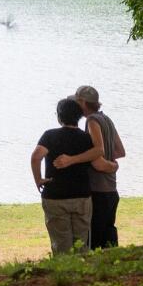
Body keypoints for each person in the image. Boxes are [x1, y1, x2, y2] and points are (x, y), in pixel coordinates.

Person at [54, 85, 125, 248]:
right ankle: (113, 267)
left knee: (95, 240)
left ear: (82, 102)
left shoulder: (91, 121)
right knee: (109, 235)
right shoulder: (106, 119)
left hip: (98, 191)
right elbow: (120, 151)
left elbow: (98, 162)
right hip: (111, 190)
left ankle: (100, 270)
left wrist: (72, 159)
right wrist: (112, 164)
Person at [30, 98, 95, 254]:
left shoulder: (50, 135)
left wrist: (38, 179)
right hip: (82, 196)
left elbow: (36, 157)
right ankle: (83, 274)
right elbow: (96, 160)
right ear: (79, 117)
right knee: (81, 244)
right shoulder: (86, 138)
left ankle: (63, 275)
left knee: (61, 246)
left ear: (59, 117)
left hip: (55, 196)